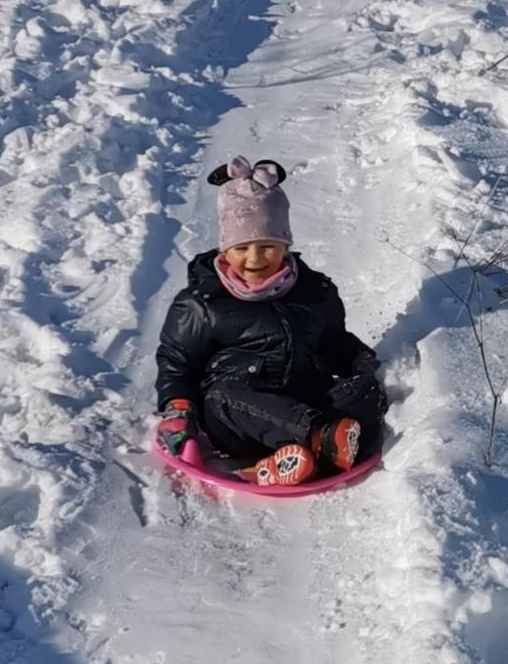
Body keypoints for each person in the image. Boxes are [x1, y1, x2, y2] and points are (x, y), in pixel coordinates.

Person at [154, 157, 385, 486]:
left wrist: (360, 364)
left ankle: (289, 463)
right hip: (234, 417)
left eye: (267, 247)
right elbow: (177, 361)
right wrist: (177, 408)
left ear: (285, 245)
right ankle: (321, 440)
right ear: (225, 250)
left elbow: (333, 341)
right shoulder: (202, 302)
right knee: (222, 399)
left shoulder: (314, 292)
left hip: (301, 398)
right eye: (242, 248)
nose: (254, 259)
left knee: (363, 395)